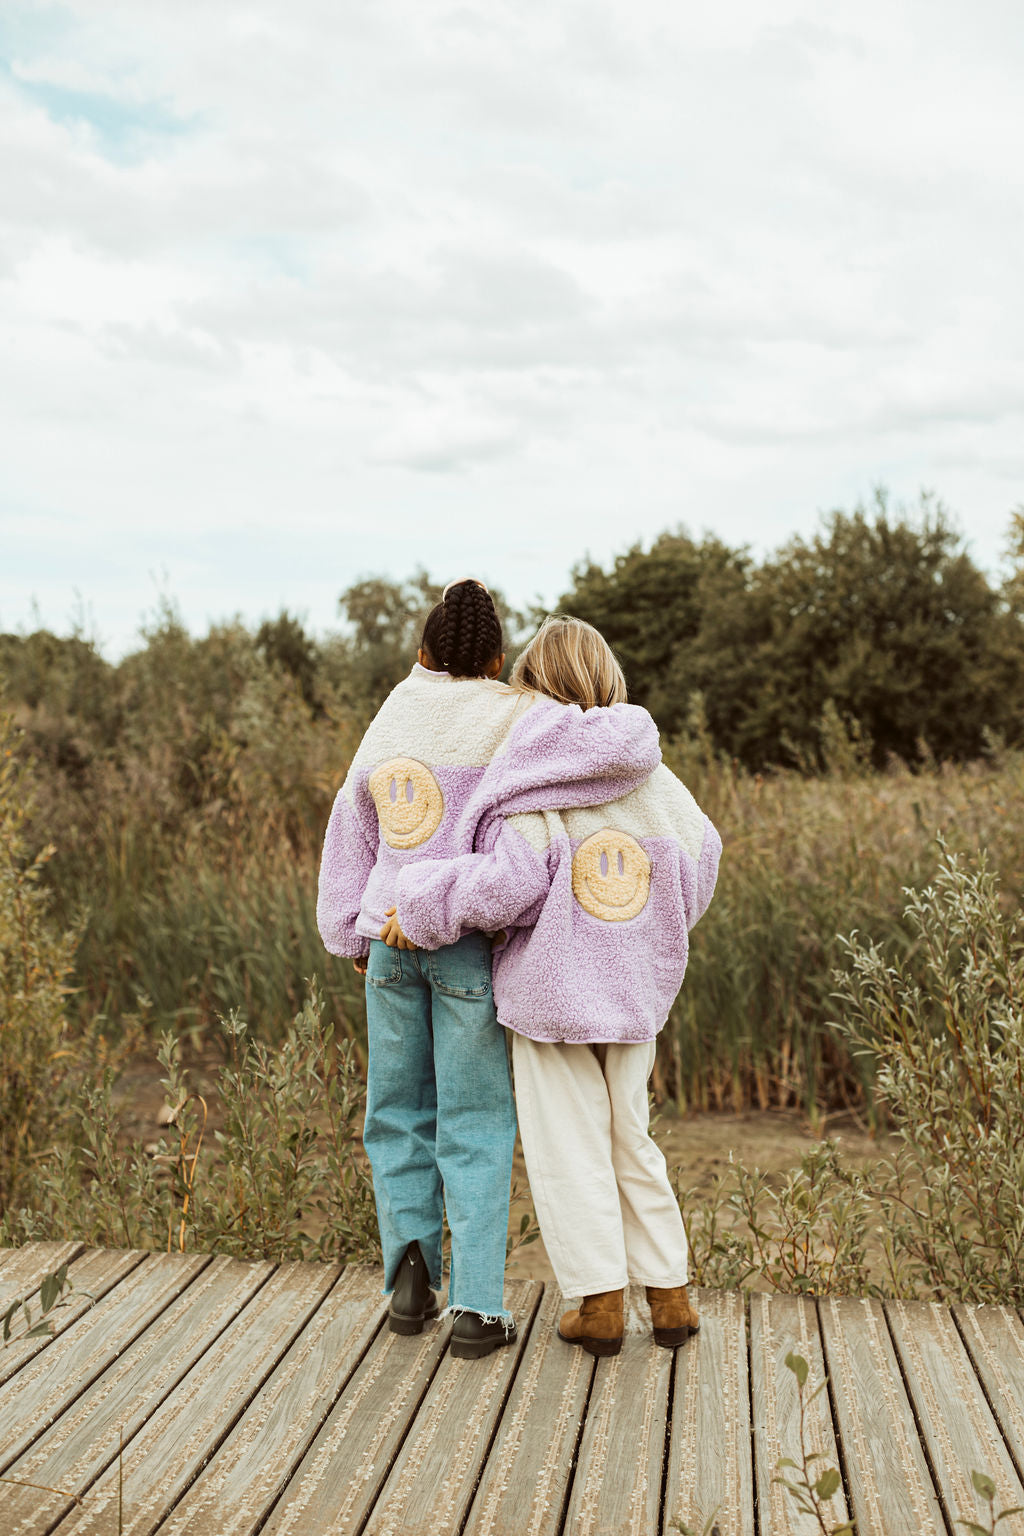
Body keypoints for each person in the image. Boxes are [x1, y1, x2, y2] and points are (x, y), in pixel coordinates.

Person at [316, 585, 662, 1358]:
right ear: (500, 660)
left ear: (422, 653)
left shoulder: (391, 716)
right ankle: (476, 1307)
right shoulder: (516, 718)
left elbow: (351, 829)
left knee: (395, 1111)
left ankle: (409, 1278)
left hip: (387, 944)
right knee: (475, 1122)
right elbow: (609, 751)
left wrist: (349, 932)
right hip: (464, 944)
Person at [387, 615, 722, 1357]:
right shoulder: (661, 782)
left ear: (533, 687)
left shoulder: (537, 783)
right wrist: (647, 932)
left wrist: (419, 900)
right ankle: (669, 1296)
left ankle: (599, 1305)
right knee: (632, 1137)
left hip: (552, 996)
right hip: (636, 998)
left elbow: (504, 887)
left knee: (569, 1146)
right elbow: (700, 868)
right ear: (611, 683)